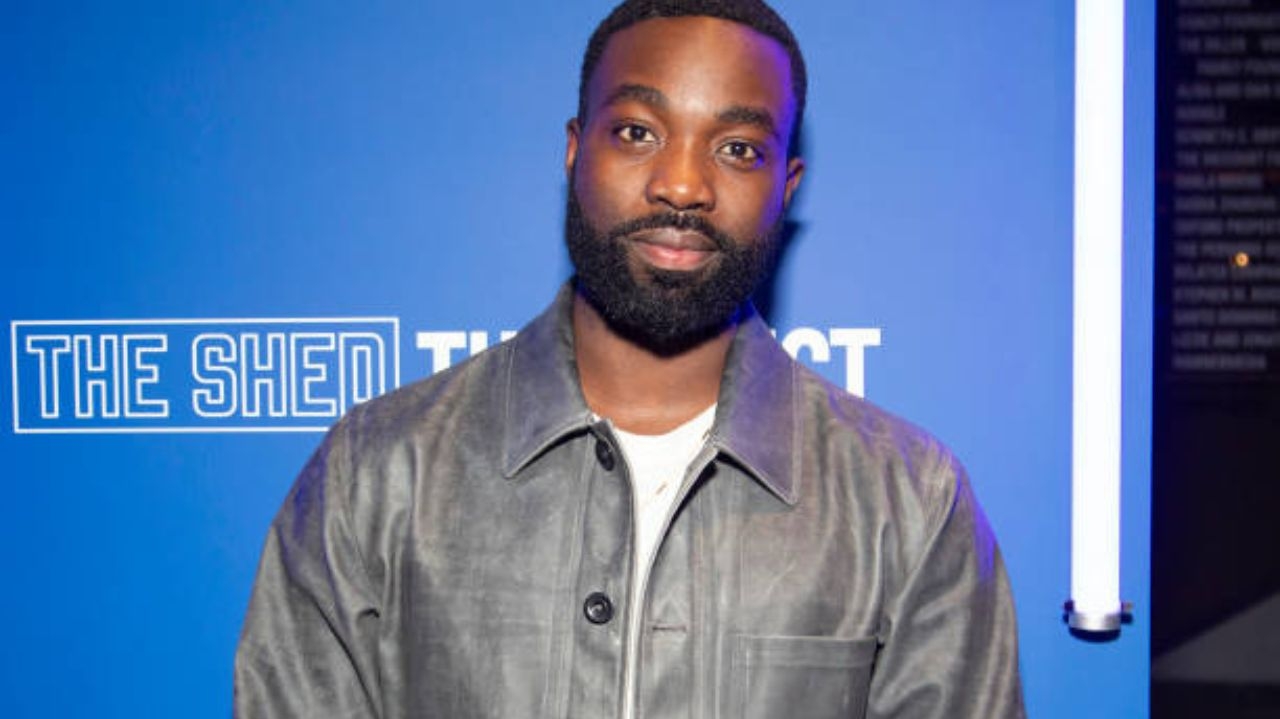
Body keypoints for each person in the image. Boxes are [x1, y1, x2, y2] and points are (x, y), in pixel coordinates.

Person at [234, 0, 1025, 717]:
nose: (681, 184)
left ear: (786, 187)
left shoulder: (907, 499)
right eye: (638, 132)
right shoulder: (378, 470)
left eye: (738, 148)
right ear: (575, 150)